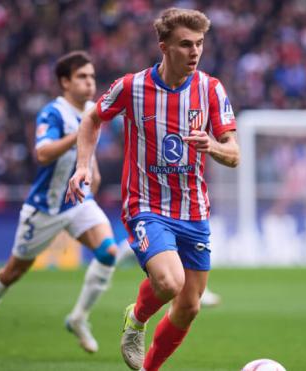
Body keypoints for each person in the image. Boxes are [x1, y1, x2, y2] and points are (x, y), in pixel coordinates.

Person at [65, 8, 239, 371]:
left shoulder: (210, 89)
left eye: (200, 44)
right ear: (164, 46)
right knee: (170, 282)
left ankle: (149, 369)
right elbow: (92, 118)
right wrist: (83, 165)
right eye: (185, 44)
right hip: (146, 204)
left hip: (193, 210)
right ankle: (138, 317)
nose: (195, 52)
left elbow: (234, 154)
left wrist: (213, 145)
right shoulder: (132, 87)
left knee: (190, 306)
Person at [0, 51, 118, 358]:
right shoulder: (53, 113)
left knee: (108, 252)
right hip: (44, 209)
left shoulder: (91, 111)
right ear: (64, 82)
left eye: (92, 77)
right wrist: (78, 134)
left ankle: (78, 317)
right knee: (12, 273)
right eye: (82, 77)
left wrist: (93, 172)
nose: (90, 82)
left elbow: (90, 150)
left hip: (77, 202)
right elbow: (43, 154)